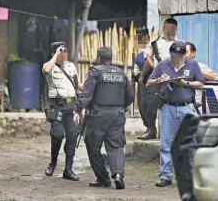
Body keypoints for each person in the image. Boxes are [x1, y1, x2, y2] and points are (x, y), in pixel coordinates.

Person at [73, 47, 134, 189]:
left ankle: (103, 178)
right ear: (111, 58)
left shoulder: (95, 72)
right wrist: (120, 107)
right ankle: (118, 175)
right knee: (116, 146)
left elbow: (86, 94)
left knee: (93, 145)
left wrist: (77, 109)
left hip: (98, 115)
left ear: (98, 58)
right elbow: (130, 95)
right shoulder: (121, 73)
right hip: (117, 115)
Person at [146, 41, 205, 187]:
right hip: (168, 108)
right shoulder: (162, 65)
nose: (176, 58)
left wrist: (186, 84)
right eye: (173, 55)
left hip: (187, 108)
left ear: (185, 54)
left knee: (189, 143)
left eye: (179, 55)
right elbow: (148, 82)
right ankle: (165, 176)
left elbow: (201, 84)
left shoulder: (193, 65)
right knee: (166, 143)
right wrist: (159, 80)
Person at [138, 18, 183, 140]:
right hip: (157, 77)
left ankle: (172, 132)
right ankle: (151, 130)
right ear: (163, 28)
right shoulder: (155, 41)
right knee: (151, 103)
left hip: (173, 78)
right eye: (166, 29)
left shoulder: (180, 43)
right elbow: (148, 57)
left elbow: (183, 60)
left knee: (172, 104)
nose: (168, 32)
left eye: (171, 29)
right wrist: (156, 68)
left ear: (175, 29)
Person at [43, 42, 82, 181]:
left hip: (72, 105)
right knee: (57, 135)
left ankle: (68, 169)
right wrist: (56, 55)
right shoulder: (49, 65)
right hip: (57, 106)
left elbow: (77, 85)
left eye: (65, 50)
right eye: (61, 51)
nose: (64, 53)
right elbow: (46, 70)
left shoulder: (71, 66)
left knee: (72, 137)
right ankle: (53, 162)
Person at [185, 42, 218, 108]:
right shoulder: (177, 68)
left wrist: (197, 71)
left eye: (186, 52)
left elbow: (215, 77)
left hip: (197, 106)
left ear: (193, 53)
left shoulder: (200, 66)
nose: (183, 55)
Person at [133, 30, 150, 132]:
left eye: (139, 38)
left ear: (147, 37)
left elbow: (146, 64)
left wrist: (142, 76)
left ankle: (149, 127)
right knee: (141, 103)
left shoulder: (148, 48)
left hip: (145, 79)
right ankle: (148, 127)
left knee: (144, 104)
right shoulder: (141, 49)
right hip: (140, 79)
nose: (137, 40)